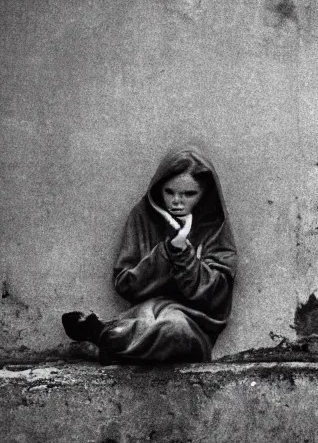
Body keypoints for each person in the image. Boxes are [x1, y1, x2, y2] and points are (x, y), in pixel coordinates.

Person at [61, 147, 238, 363]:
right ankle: (116, 340)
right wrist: (164, 254)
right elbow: (125, 283)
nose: (177, 202)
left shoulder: (214, 227)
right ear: (158, 189)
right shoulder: (142, 216)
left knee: (175, 330)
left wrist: (184, 257)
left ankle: (102, 337)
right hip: (148, 311)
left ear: (205, 194)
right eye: (169, 192)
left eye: (189, 194)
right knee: (151, 324)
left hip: (194, 321)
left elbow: (217, 297)